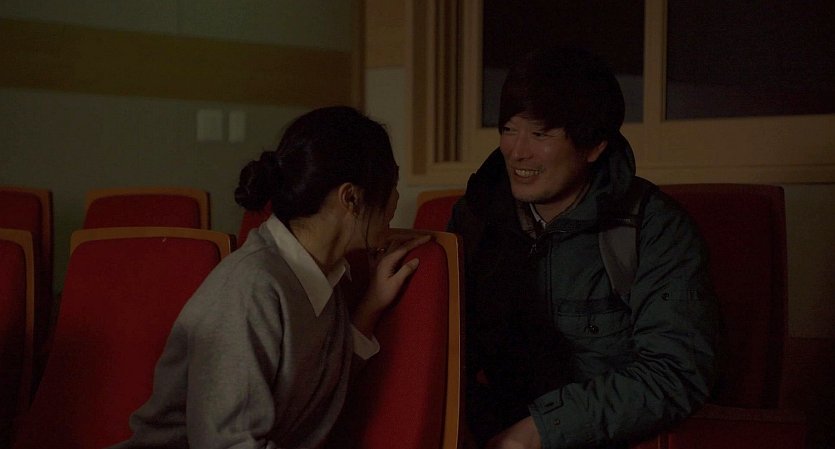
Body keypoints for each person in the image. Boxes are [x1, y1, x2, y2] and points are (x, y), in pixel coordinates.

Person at [110, 106, 430, 448]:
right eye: (391, 184)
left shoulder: (323, 275)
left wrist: (371, 305)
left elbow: (315, 389)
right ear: (350, 198)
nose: (396, 199)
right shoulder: (252, 286)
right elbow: (228, 443)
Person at [449, 47, 720, 449]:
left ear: (593, 146)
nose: (517, 151)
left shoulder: (652, 228)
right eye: (508, 129)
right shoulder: (476, 218)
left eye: (540, 134)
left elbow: (676, 371)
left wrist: (540, 430)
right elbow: (447, 356)